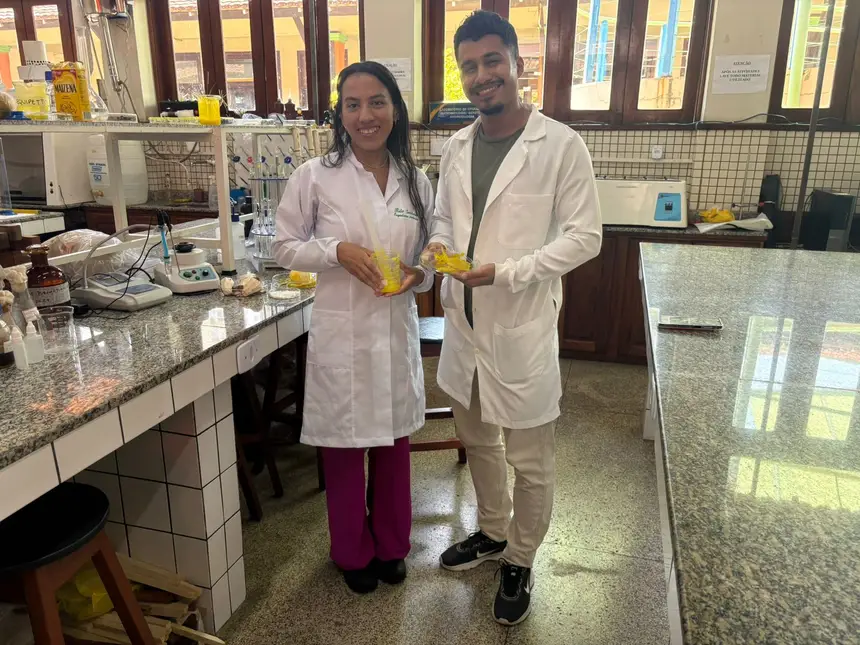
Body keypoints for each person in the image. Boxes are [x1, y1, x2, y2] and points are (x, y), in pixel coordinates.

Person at [425, 10, 602, 625]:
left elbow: (586, 237)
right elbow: (444, 219)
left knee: (529, 458)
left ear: (517, 63)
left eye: (492, 61)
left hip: (520, 324)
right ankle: (493, 532)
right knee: (478, 441)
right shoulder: (457, 146)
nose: (482, 76)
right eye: (469, 66)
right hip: (464, 325)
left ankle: (521, 558)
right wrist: (436, 245)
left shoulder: (559, 144)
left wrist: (507, 271)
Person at [273, 61, 434, 594]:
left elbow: (433, 254)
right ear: (340, 115)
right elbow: (283, 246)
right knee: (343, 452)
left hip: (394, 331)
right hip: (342, 337)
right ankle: (351, 552)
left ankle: (391, 546)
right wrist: (335, 251)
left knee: (393, 448)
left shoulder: (416, 180)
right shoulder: (315, 176)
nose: (366, 115)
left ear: (395, 109)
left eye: (377, 102)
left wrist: (419, 273)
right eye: (353, 104)